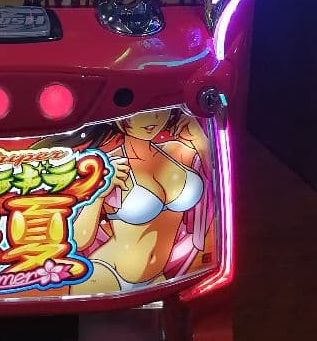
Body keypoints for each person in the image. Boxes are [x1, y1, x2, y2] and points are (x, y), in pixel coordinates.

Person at [70, 107, 212, 294]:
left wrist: (201, 141)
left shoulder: (176, 151)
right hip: (107, 275)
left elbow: (220, 180)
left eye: (158, 109)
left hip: (159, 278)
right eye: (139, 112)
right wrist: (100, 193)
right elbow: (78, 240)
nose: (153, 118)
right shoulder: (110, 166)